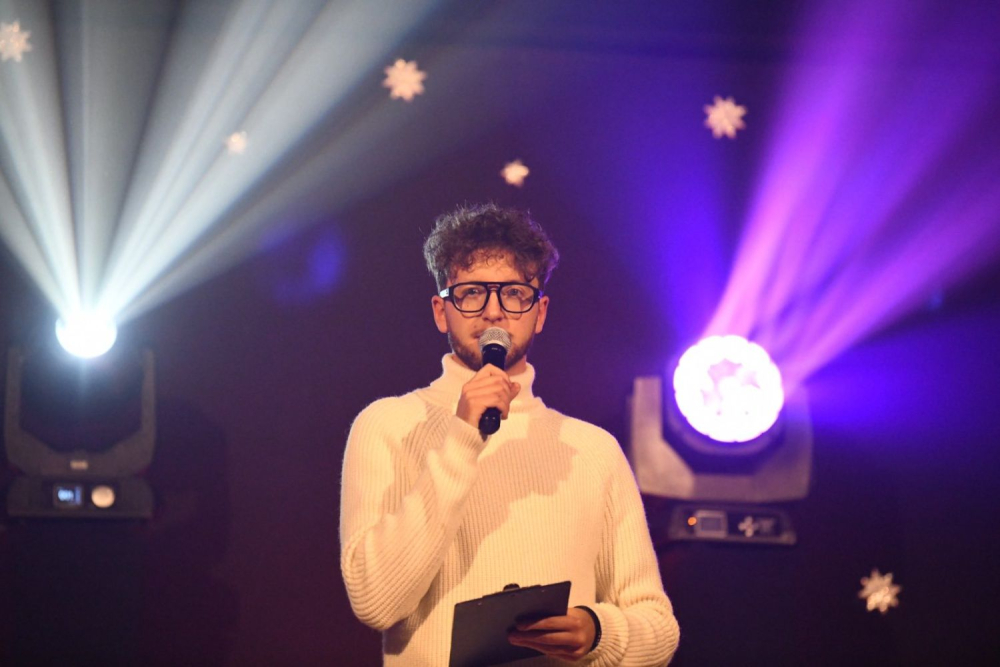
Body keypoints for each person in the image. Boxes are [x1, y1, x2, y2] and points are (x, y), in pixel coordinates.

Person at [340, 204, 679, 666]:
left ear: (540, 313)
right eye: (472, 293)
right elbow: (376, 602)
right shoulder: (389, 424)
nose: (493, 312)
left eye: (515, 294)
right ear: (441, 311)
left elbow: (659, 629)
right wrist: (462, 438)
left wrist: (598, 631)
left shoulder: (592, 450)